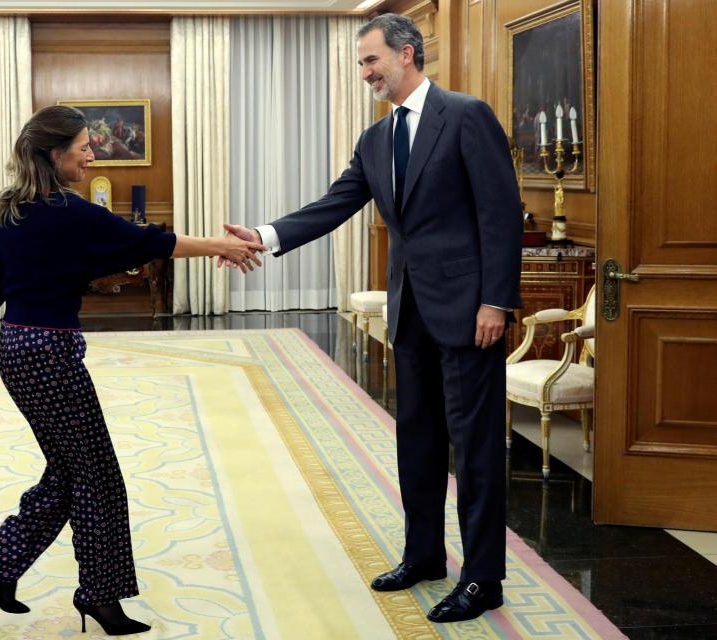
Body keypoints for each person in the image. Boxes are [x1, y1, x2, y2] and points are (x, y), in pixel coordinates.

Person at [220, 14, 521, 624]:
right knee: (416, 442)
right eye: (361, 64)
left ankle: (483, 578)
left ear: (407, 54)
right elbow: (334, 205)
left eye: (370, 61)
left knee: (477, 450)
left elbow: (501, 214)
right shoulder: (375, 140)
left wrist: (497, 301)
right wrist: (263, 235)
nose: (364, 73)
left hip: (469, 315)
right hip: (409, 314)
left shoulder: (466, 116)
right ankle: (423, 556)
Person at [0, 105, 264, 636]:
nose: (93, 153)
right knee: (98, 478)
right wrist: (220, 245)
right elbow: (150, 242)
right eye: (84, 146)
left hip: (17, 348)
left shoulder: (4, 214)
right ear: (56, 155)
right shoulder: (69, 213)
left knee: (68, 470)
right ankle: (100, 599)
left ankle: (2, 565)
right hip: (51, 354)